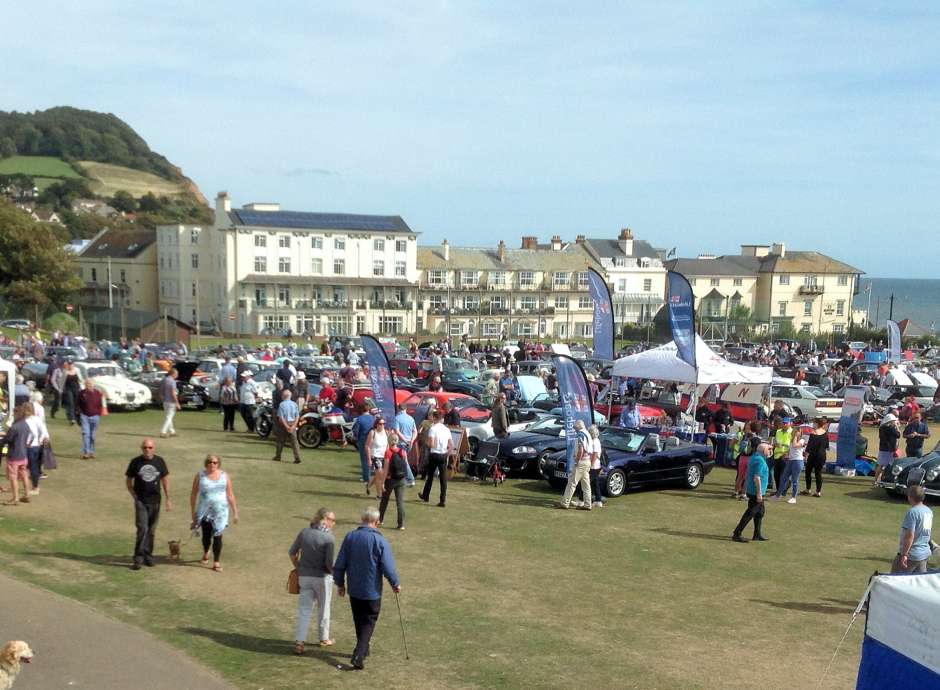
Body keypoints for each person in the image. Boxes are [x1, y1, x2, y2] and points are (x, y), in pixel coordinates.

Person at [332, 506, 401, 670]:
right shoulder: (380, 540)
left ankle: (363, 649)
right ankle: (359, 654)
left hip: (354, 589)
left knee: (359, 619)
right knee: (368, 621)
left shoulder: (350, 537)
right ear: (376, 522)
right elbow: (388, 567)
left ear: (363, 520)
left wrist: (340, 583)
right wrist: (395, 583)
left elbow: (340, 564)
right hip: (372, 590)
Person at [290, 507, 336, 654]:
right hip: (322, 578)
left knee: (304, 610)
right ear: (325, 520)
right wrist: (335, 573)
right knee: (324, 608)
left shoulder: (305, 533)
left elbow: (292, 553)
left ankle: (299, 642)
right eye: (333, 520)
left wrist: (299, 567)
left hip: (304, 577)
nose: (334, 523)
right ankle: (323, 638)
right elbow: (329, 564)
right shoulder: (329, 538)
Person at [125, 438, 172, 570]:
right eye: (145, 447)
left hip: (156, 501)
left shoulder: (159, 461)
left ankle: (148, 556)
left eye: (150, 447)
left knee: (151, 531)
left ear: (154, 448)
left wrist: (168, 498)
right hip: (141, 501)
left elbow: (165, 480)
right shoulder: (135, 462)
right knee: (142, 529)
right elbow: (129, 481)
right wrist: (134, 496)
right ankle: (138, 558)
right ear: (141, 448)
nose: (147, 450)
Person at [190, 454, 238, 572]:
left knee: (218, 535)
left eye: (215, 462)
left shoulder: (224, 476)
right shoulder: (200, 475)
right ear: (206, 463)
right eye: (210, 462)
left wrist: (235, 512)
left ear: (218, 464)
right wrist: (193, 513)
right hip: (204, 510)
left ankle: (216, 561)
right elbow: (193, 494)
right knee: (206, 535)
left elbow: (230, 494)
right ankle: (206, 551)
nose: (212, 464)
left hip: (220, 511)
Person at [732, 439, 770, 543]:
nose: (770, 451)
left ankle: (757, 534)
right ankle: (737, 533)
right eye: (768, 449)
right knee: (750, 513)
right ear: (763, 451)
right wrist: (759, 494)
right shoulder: (760, 461)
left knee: (760, 512)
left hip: (752, 490)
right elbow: (756, 478)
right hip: (756, 492)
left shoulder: (754, 457)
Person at [891, 484, 934, 573]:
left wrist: (904, 555)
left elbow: (910, 536)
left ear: (910, 497)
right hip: (923, 554)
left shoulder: (912, 512)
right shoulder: (928, 511)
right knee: (919, 583)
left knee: (895, 581)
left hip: (912, 554)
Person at [418, 410, 453, 507]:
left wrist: (426, 442)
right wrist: (447, 454)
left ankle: (426, 495)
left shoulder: (433, 429)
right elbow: (451, 445)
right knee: (443, 479)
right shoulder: (446, 429)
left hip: (434, 454)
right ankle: (442, 500)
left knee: (430, 476)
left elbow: (431, 444)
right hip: (443, 454)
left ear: (434, 418)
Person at [558, 420, 593, 510]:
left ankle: (565, 502)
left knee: (572, 483)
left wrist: (577, 461)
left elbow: (581, 449)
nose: (575, 429)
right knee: (586, 485)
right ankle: (587, 504)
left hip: (581, 462)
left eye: (575, 428)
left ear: (578, 427)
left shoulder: (580, 435)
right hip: (587, 461)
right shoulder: (588, 434)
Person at [3, 404, 33, 505]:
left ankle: (15, 498)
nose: (13, 415)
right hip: (23, 455)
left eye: (14, 413)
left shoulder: (14, 427)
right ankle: (27, 494)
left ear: (18, 414)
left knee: (13, 477)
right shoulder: (26, 424)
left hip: (14, 456)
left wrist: (4, 437)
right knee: (24, 475)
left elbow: (7, 439)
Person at [379, 434, 409, 529]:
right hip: (401, 479)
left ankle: (380, 519)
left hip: (390, 479)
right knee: (399, 502)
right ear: (397, 441)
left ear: (389, 441)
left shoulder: (388, 452)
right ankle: (401, 524)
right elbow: (406, 465)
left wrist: (382, 482)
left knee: (384, 500)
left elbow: (386, 469)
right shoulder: (403, 452)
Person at [774, 426, 805, 504]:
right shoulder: (792, 440)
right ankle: (778, 495)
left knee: (795, 480)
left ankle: (793, 497)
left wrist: (795, 437)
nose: (793, 433)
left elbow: (795, 445)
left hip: (798, 462)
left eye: (796, 432)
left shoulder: (802, 440)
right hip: (790, 461)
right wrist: (786, 455)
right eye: (794, 432)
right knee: (783, 478)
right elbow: (791, 449)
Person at [77, 378, 106, 460]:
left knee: (92, 435)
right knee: (86, 434)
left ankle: (91, 451)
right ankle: (86, 452)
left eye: (90, 384)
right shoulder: (81, 393)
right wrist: (79, 413)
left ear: (93, 384)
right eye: (87, 384)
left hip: (95, 416)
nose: (88, 385)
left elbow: (101, 404)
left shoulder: (98, 393)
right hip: (84, 416)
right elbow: (78, 404)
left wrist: (99, 413)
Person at [24, 398, 48, 495]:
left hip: (32, 447)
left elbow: (43, 432)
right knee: (25, 467)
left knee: (33, 467)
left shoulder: (33, 419)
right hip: (27, 447)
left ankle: (35, 487)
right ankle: (28, 486)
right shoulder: (25, 419)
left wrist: (39, 440)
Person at [389, 404, 417, 486]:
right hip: (409, 443)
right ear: (406, 409)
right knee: (402, 461)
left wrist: (405, 440)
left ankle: (410, 479)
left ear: (399, 409)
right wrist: (411, 440)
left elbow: (397, 431)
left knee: (404, 462)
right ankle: (401, 477)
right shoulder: (411, 418)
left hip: (401, 443)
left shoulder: (397, 418)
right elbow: (415, 431)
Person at [272, 389, 302, 464]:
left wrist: (287, 427)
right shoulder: (294, 404)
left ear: (283, 396)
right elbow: (297, 416)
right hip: (292, 423)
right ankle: (297, 457)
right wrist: (293, 426)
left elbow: (281, 418)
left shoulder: (282, 404)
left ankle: (278, 456)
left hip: (283, 424)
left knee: (280, 441)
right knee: (294, 442)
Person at [802, 418, 829, 498]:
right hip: (822, 456)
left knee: (808, 472)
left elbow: (809, 447)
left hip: (813, 456)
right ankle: (818, 491)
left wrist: (805, 456)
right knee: (818, 473)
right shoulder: (825, 433)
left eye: (814, 423)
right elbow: (827, 446)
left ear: (817, 424)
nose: (813, 424)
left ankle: (808, 489)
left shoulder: (813, 433)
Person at [351, 404, 376, 488]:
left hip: (363, 440)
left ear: (361, 410)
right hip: (373, 440)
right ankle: (375, 475)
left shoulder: (359, 419)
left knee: (365, 459)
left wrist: (356, 438)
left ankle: (366, 478)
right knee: (373, 457)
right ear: (368, 410)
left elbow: (355, 430)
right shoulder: (373, 418)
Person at [873, 414, 902, 486]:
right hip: (890, 449)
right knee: (891, 464)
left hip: (883, 448)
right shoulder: (891, 428)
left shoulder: (882, 428)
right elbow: (898, 435)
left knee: (880, 464)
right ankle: (887, 478)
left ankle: (876, 480)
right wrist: (897, 427)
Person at [364, 417, 389, 497]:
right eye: (380, 424)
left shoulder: (386, 432)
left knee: (378, 475)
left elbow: (388, 445)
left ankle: (368, 485)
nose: (382, 425)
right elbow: (367, 446)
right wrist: (369, 459)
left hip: (384, 456)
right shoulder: (373, 433)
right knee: (380, 475)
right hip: (375, 456)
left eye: (383, 424)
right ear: (376, 424)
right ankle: (379, 494)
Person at [770, 417, 794, 492]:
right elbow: (774, 442)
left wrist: (787, 453)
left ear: (790, 424)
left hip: (786, 456)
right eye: (783, 423)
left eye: (786, 423)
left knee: (782, 475)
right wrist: (775, 444)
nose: (784, 424)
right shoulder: (778, 431)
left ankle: (780, 491)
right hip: (777, 455)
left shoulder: (793, 432)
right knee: (776, 475)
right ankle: (779, 489)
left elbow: (793, 445)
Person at [160, 369, 180, 438]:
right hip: (171, 402)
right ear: (173, 374)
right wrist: (177, 403)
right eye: (176, 374)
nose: (177, 375)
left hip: (165, 401)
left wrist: (162, 398)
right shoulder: (172, 381)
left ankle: (172, 431)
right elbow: (173, 393)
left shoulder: (164, 380)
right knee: (169, 417)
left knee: (168, 417)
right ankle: (163, 431)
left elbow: (161, 391)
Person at [588, 424, 605, 508]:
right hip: (596, 466)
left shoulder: (595, 441)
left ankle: (582, 500)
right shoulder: (596, 440)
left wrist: (590, 464)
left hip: (594, 466)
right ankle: (598, 500)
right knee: (595, 484)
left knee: (587, 483)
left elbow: (595, 455)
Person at [60, 359, 81, 425]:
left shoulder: (77, 370)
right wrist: (61, 389)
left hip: (76, 388)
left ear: (73, 364)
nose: (70, 366)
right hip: (68, 389)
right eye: (69, 364)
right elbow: (62, 381)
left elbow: (80, 379)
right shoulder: (65, 371)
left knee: (76, 403)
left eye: (71, 364)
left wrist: (82, 388)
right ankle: (72, 419)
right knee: (70, 403)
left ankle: (77, 416)